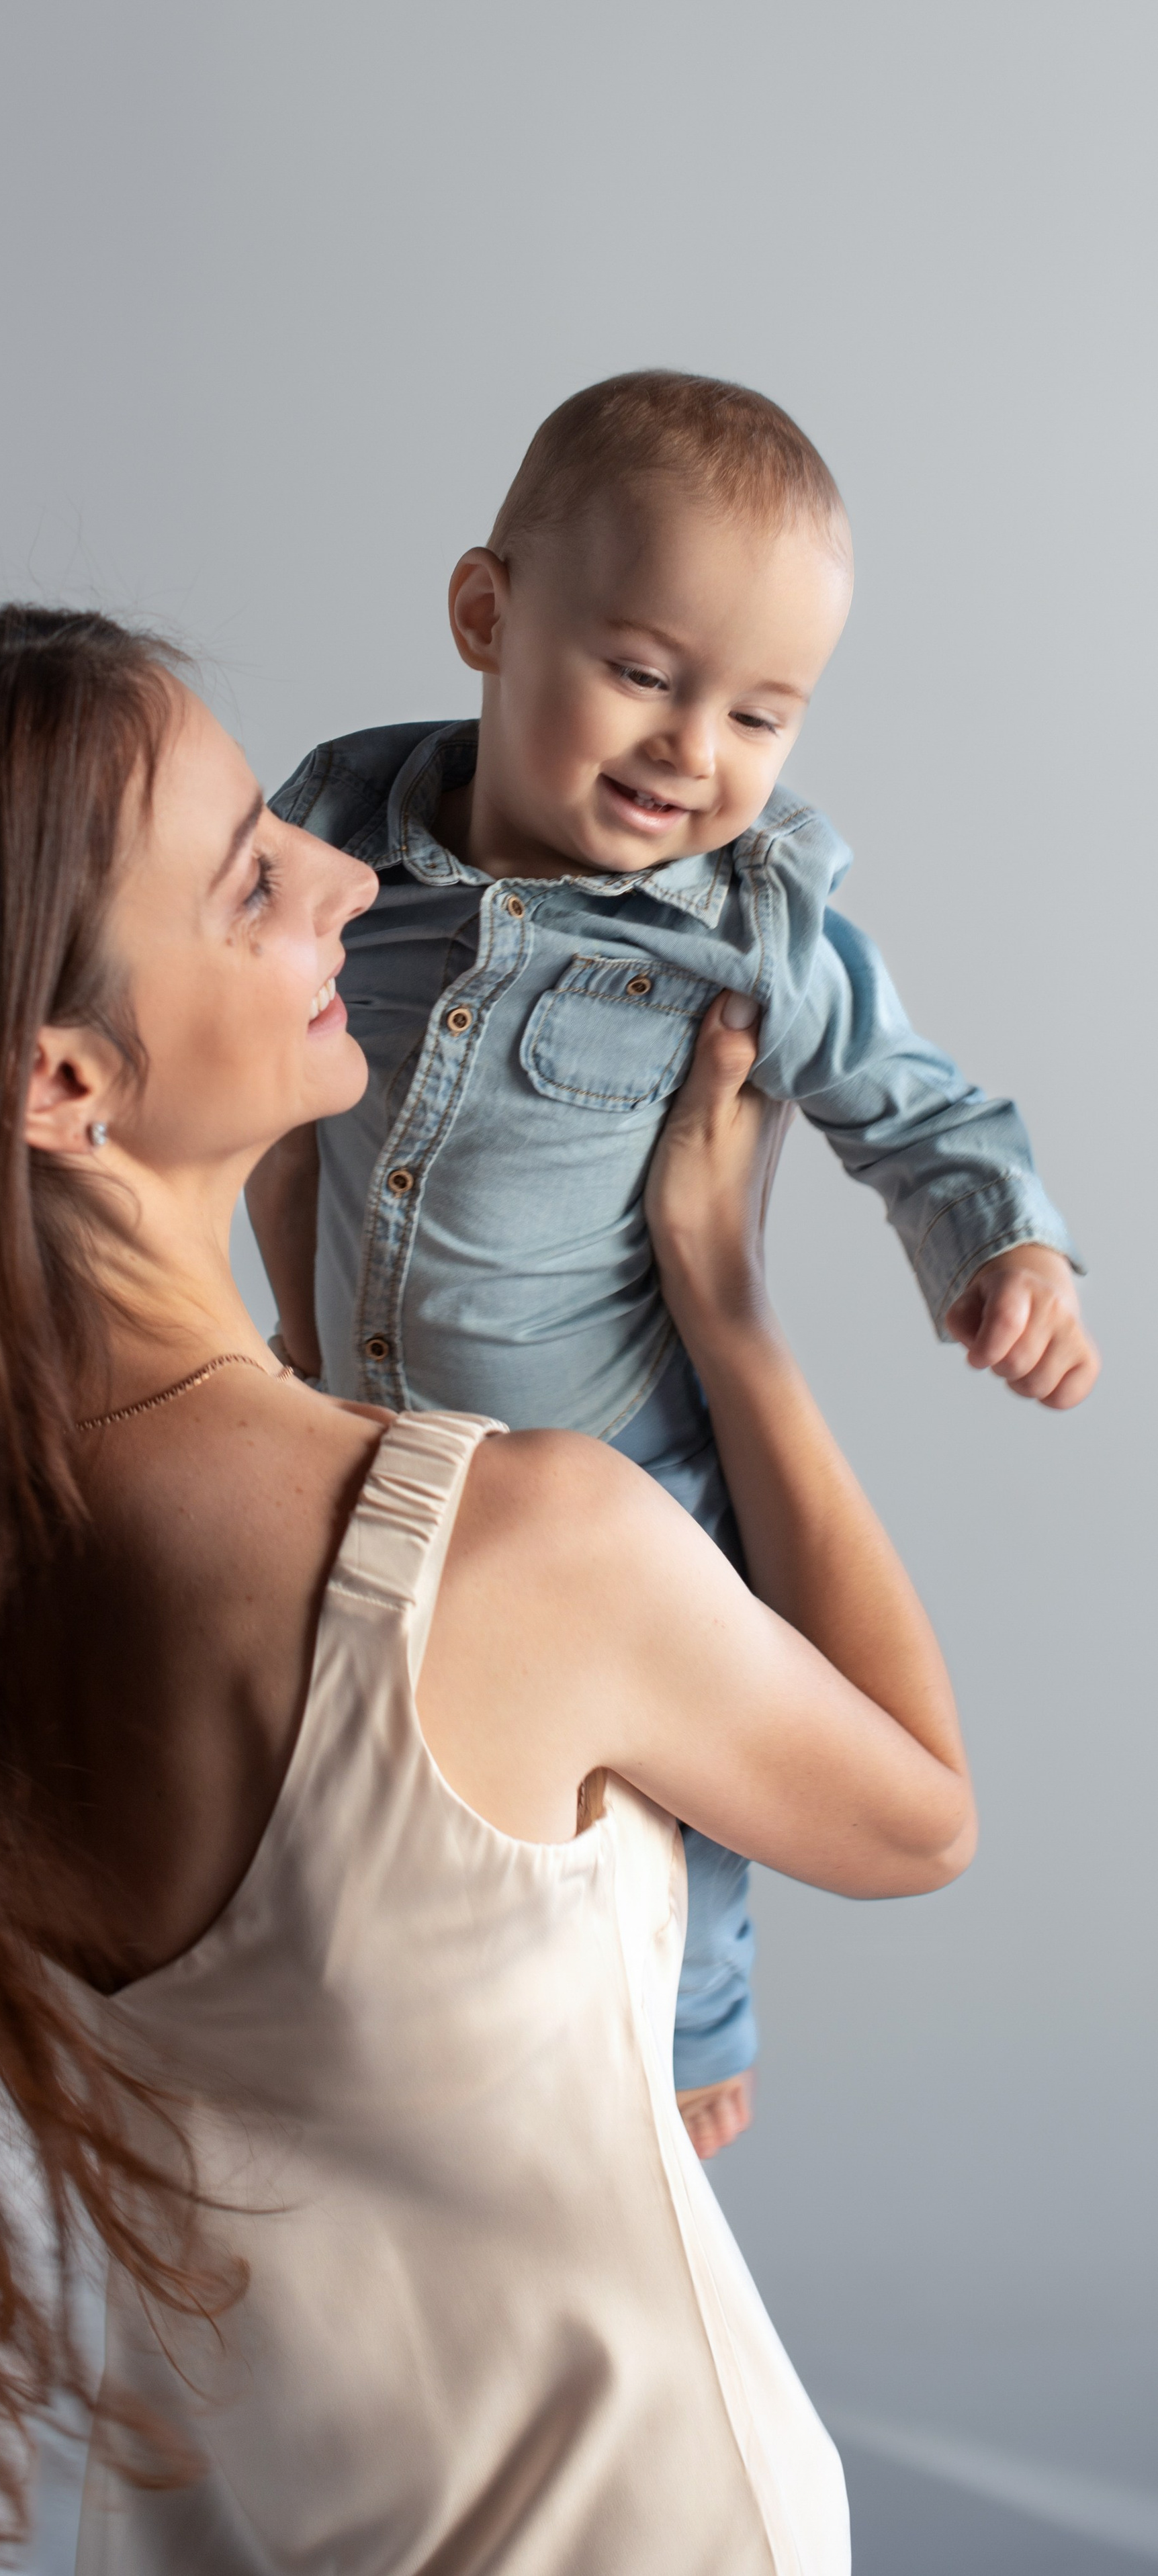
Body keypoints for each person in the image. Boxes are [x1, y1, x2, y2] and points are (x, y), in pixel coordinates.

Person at [0, 606, 974, 2572]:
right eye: (256, 871)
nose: (353, 868)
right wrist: (730, 1304)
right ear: (66, 1082)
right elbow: (916, 1807)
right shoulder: (506, 1548)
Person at [247, 369, 1094, 2160]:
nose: (689, 750)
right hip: (358, 1421)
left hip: (614, 1453)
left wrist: (1004, 1253)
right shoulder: (339, 816)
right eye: (643, 671)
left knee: (666, 1739)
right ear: (488, 616)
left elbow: (920, 1107)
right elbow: (236, 1028)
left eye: (760, 714)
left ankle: (700, 2003)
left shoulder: (746, 930)